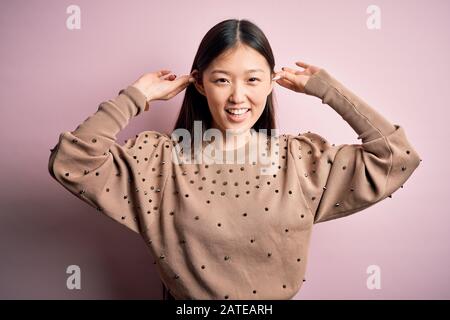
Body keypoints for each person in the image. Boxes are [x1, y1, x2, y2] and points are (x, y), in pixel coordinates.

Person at [48, 18, 421, 300]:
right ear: (199, 82)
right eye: (222, 80)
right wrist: (135, 96)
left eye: (253, 80)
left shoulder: (300, 161)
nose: (237, 97)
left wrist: (328, 90)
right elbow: (73, 161)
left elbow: (395, 156)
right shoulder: (159, 161)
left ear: (272, 82)